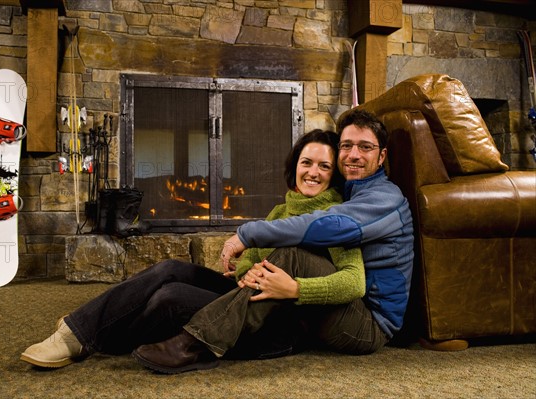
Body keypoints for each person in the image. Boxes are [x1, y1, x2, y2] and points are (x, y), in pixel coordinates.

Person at [20, 129, 364, 368]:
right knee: (170, 270)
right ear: (295, 166)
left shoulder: (336, 218)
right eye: (307, 162)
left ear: (334, 176)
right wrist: (244, 270)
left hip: (276, 321)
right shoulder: (282, 210)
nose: (313, 173)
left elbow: (352, 282)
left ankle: (95, 334)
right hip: (243, 296)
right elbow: (252, 267)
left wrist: (294, 288)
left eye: (324, 166)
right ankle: (75, 331)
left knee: (169, 298)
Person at [133, 108, 414, 374]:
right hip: (339, 308)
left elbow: (329, 229)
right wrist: (249, 269)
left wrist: (251, 239)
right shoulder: (351, 193)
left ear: (381, 156)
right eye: (346, 145)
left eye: (365, 147)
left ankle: (198, 343)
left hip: (370, 325)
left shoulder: (382, 199)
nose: (353, 154)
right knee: (171, 276)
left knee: (291, 255)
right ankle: (96, 333)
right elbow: (256, 261)